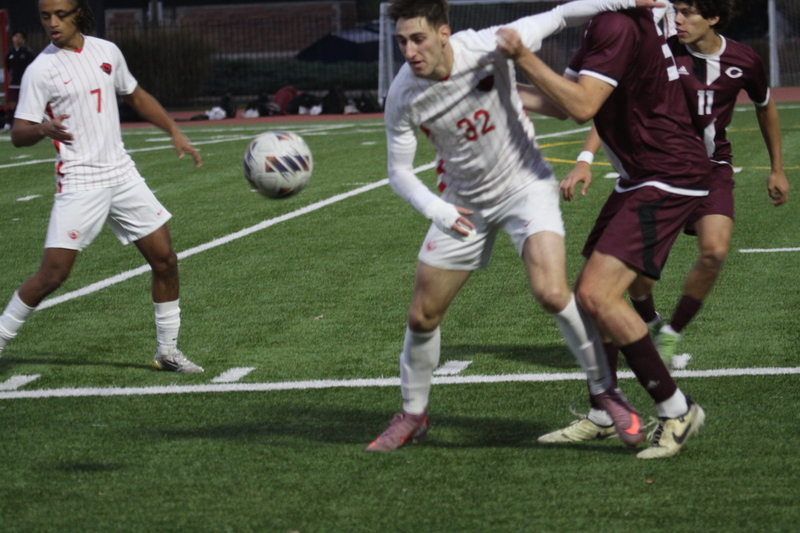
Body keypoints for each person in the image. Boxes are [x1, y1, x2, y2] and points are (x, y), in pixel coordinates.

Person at [366, 0, 666, 453]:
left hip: (526, 186)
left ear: (444, 32)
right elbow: (400, 173)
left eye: (418, 38)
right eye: (402, 41)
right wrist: (437, 210)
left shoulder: (488, 45)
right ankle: (413, 413)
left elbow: (563, 14)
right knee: (423, 315)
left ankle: (606, 391)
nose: (410, 51)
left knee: (551, 291)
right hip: (461, 203)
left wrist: (626, 0)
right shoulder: (404, 94)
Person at [497, 3, 713, 458]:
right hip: (644, 173)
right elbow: (560, 102)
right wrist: (486, 90)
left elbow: (581, 107)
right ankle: (603, 415)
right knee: (591, 296)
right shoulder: (609, 21)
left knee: (597, 295)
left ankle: (677, 409)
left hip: (665, 174)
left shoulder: (615, 23)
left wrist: (519, 55)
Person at [0, 0, 204, 373]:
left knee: (165, 260)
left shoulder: (107, 52)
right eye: (45, 16)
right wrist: (42, 128)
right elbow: (17, 134)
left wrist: (174, 129)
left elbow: (136, 95)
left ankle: (167, 352)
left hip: (122, 174)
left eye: (60, 14)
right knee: (53, 274)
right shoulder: (40, 70)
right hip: (80, 180)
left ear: (79, 13)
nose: (52, 23)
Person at [4, 31, 36, 131]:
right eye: (16, 36)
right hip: (14, 84)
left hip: (25, 83)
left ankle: (31, 123)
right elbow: (8, 66)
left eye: (20, 37)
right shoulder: (10, 53)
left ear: (23, 40)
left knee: (27, 103)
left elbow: (33, 66)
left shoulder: (27, 52)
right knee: (12, 104)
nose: (17, 39)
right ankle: (9, 123)